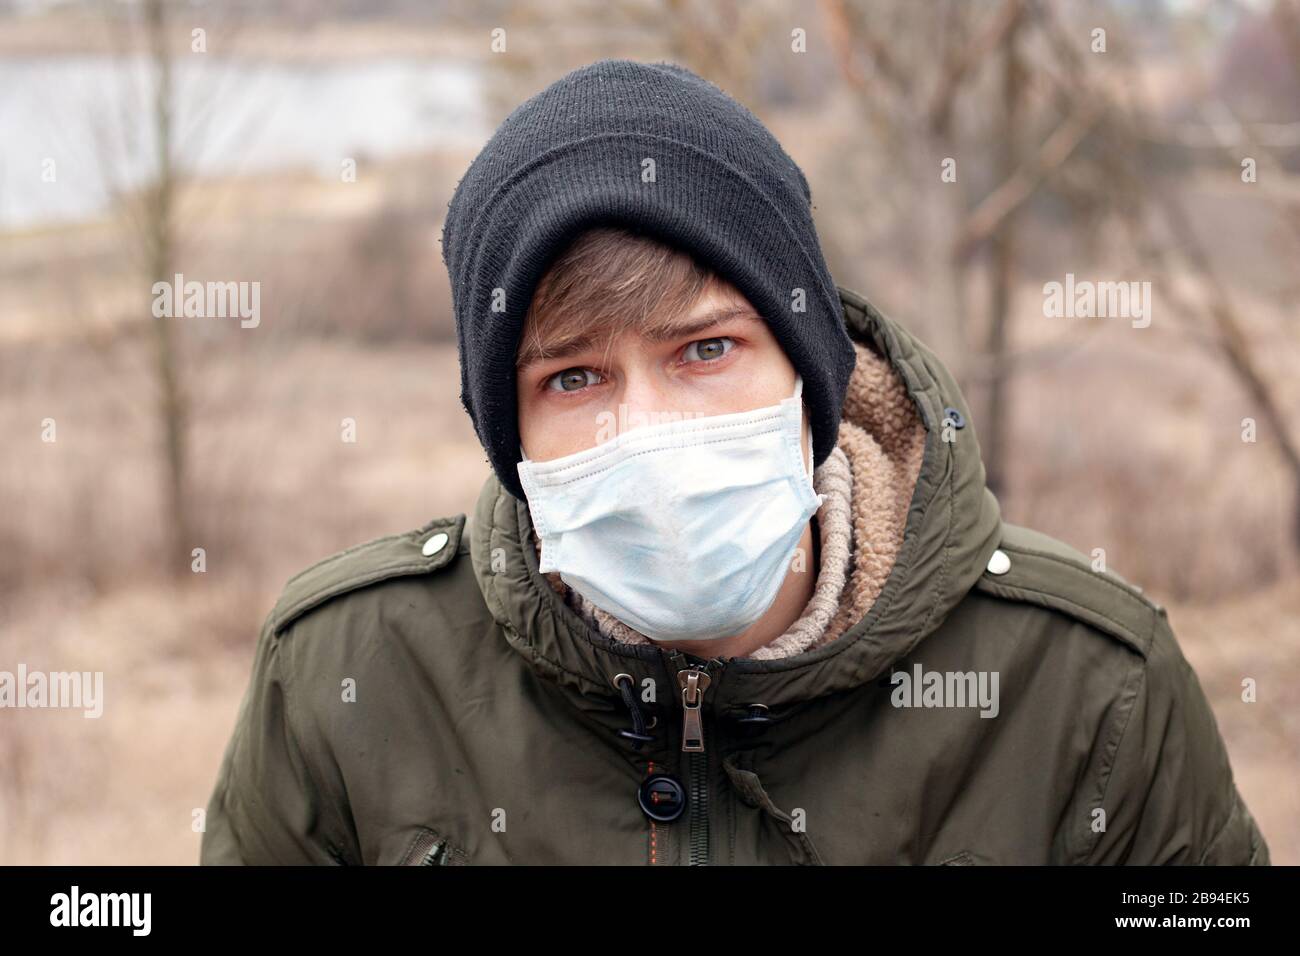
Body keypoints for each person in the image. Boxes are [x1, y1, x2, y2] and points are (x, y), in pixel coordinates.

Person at [200, 58, 1269, 865]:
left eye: (705, 350)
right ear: (507, 430)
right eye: (572, 377)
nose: (649, 429)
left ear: (807, 370)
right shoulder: (344, 679)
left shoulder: (1087, 689)